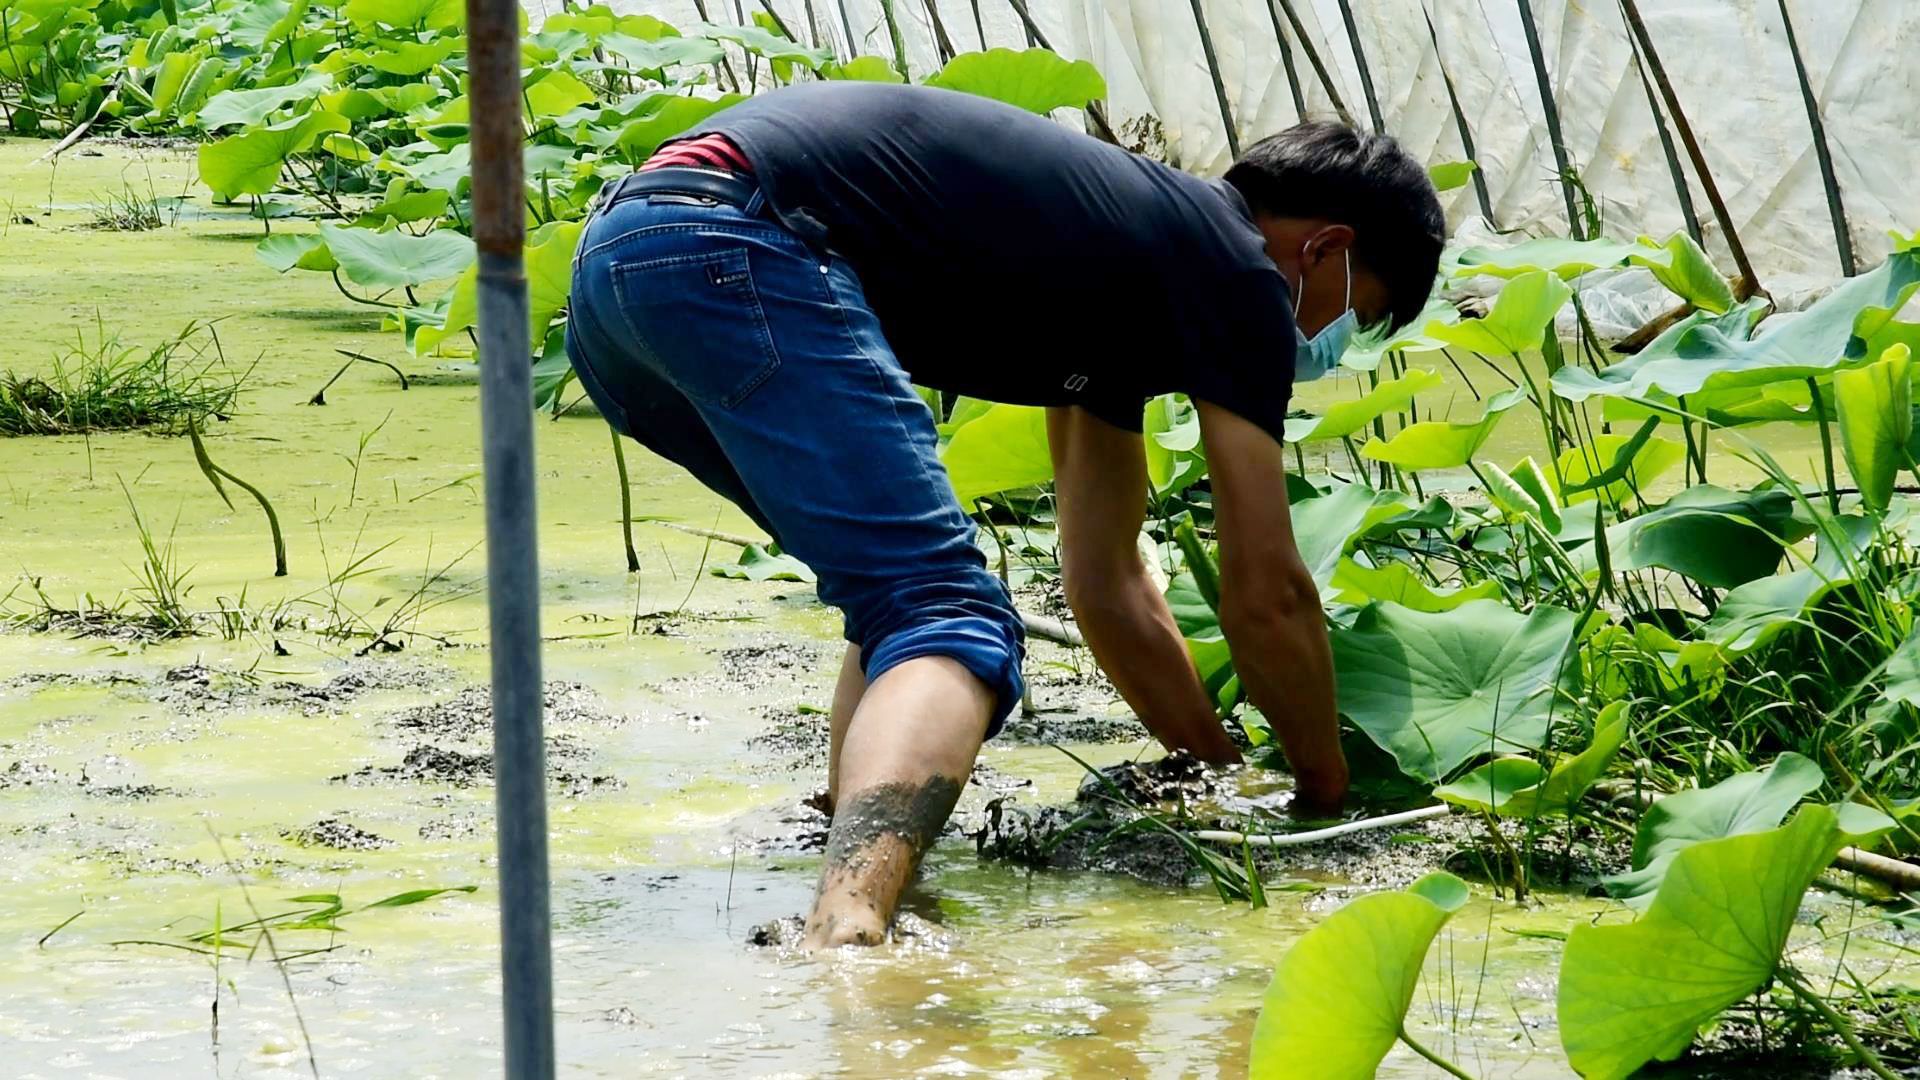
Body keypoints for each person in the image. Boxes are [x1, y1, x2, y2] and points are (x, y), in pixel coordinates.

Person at [565, 82, 1445, 949]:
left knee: (896, 598)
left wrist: (1211, 768)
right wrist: (1325, 795)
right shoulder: (1241, 271)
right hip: (737, 240)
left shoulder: (1133, 266)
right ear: (1325, 250)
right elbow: (1268, 593)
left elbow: (1108, 584)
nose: (1333, 342)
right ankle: (848, 927)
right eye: (1357, 316)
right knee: (945, 614)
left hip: (620, 271)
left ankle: (848, 828)